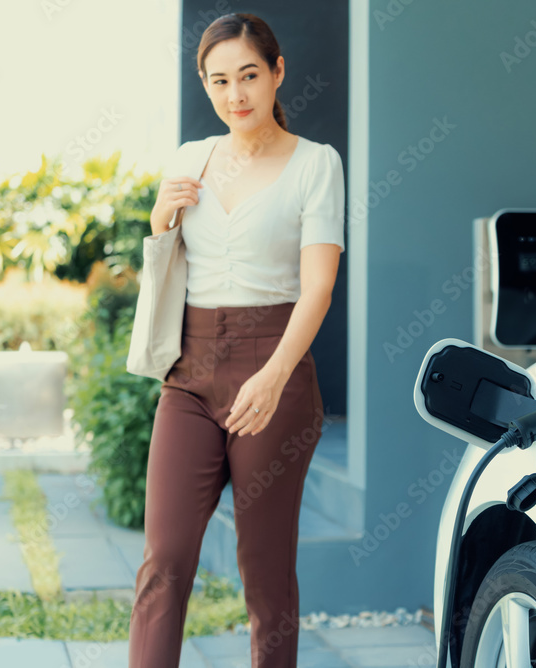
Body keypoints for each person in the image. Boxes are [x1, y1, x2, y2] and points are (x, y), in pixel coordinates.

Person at [127, 12, 345, 668]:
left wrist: (276, 374)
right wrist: (160, 217)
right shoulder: (190, 160)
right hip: (189, 374)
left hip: (273, 368)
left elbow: (318, 289)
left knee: (265, 569)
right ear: (205, 85)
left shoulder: (316, 165)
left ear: (278, 73)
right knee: (164, 559)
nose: (236, 95)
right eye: (219, 81)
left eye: (249, 75)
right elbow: (167, 265)